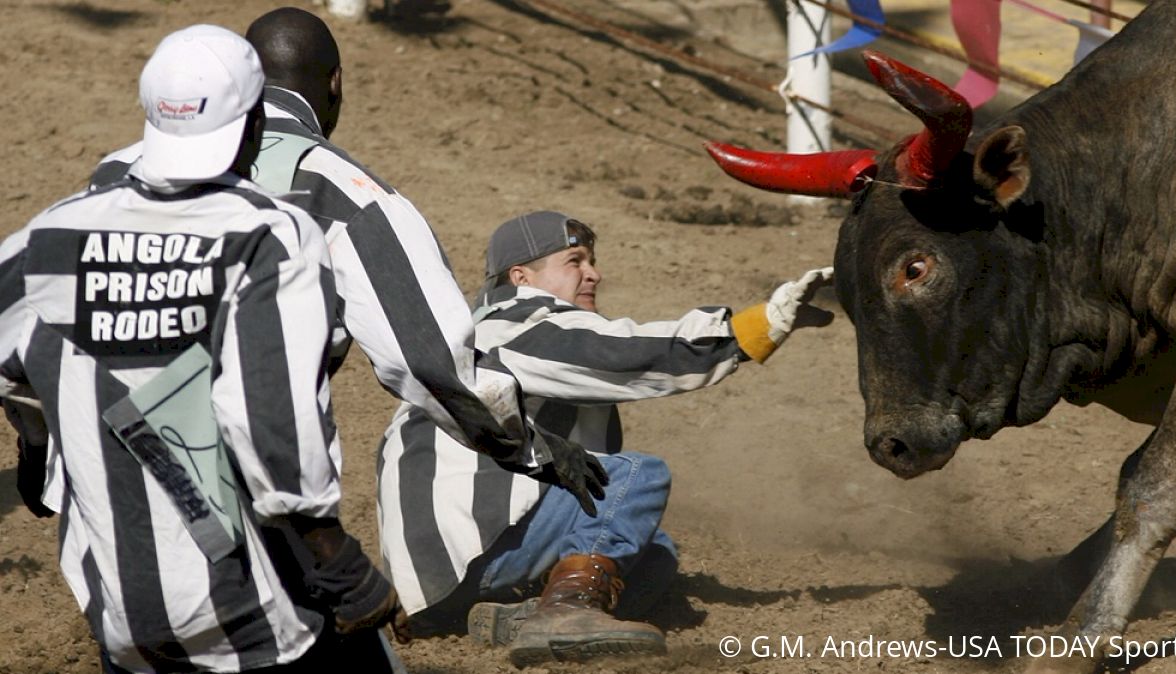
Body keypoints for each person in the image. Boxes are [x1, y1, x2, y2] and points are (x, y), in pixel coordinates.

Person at [82, 9, 606, 532]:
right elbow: (430, 359)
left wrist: (37, 446)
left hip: (98, 471)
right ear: (335, 82)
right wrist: (530, 446)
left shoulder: (115, 170)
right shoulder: (343, 190)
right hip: (243, 488)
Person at [0, 25, 404, 672]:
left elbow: (15, 368)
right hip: (253, 605)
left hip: (119, 606)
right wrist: (341, 562)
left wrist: (36, 445)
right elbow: (268, 416)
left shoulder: (48, 236)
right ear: (252, 126)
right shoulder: (267, 235)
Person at [377, 210, 835, 666]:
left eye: (591, 261)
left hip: (439, 579)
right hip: (473, 549)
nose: (594, 273)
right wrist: (753, 327)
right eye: (574, 261)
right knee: (632, 477)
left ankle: (516, 619)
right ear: (521, 277)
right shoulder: (514, 325)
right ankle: (565, 612)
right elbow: (622, 353)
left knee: (655, 553)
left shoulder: (476, 340)